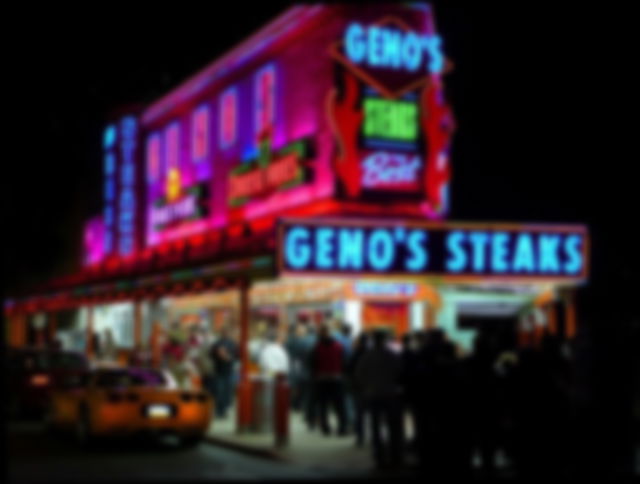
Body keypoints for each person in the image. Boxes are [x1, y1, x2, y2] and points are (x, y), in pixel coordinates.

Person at [355, 329, 404, 469]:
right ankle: (395, 457)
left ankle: (379, 457)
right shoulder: (393, 356)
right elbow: (400, 373)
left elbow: (359, 375)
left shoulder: (367, 357)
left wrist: (367, 387)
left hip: (373, 395)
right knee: (393, 426)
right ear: (384, 340)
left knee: (376, 427)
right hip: (390, 395)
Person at [310, 323, 347, 436]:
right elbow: (344, 362)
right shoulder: (338, 346)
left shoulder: (317, 347)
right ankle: (342, 428)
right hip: (336, 378)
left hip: (322, 379)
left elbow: (312, 364)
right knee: (339, 405)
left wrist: (315, 375)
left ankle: (325, 428)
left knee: (323, 405)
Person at [346, 330, 372, 447]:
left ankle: (360, 437)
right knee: (372, 414)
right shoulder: (371, 353)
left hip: (359, 388)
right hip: (371, 388)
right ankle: (372, 437)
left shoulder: (355, 354)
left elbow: (349, 370)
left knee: (359, 414)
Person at [210, 325, 238, 419]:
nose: (225, 333)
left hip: (228, 371)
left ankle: (224, 409)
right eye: (224, 331)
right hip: (219, 371)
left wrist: (228, 357)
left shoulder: (232, 344)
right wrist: (220, 355)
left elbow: (236, 356)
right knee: (220, 391)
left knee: (227, 391)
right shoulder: (217, 344)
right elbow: (213, 355)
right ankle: (219, 410)